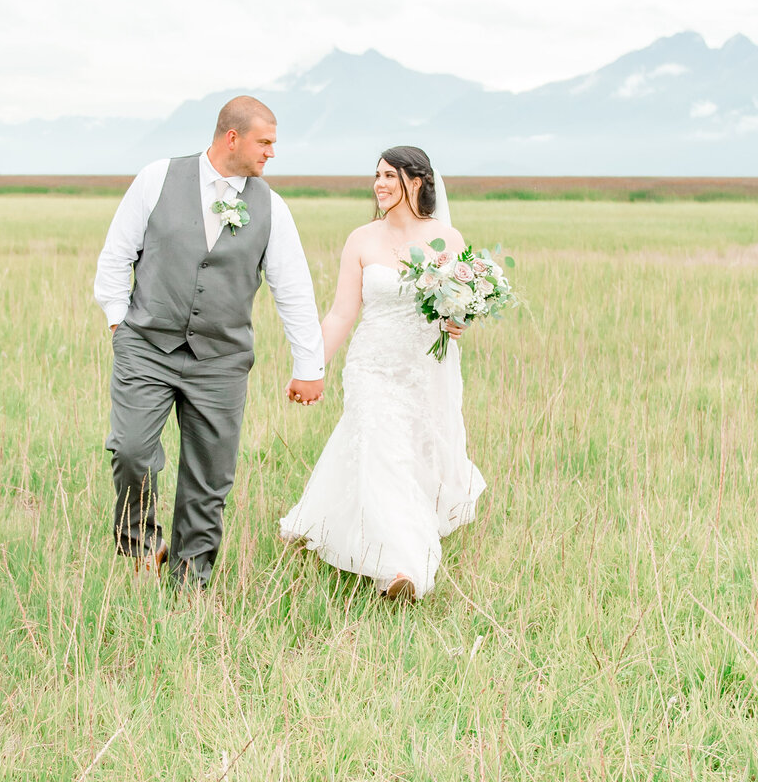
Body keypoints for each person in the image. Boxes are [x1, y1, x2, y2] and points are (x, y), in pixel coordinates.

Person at [94, 97, 324, 587]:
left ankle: (190, 582)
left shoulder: (272, 208)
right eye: (265, 142)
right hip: (146, 347)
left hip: (220, 361)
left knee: (209, 479)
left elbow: (294, 289)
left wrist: (310, 365)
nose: (272, 153)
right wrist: (120, 322)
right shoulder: (156, 178)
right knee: (132, 450)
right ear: (232, 137)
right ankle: (140, 540)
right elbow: (117, 254)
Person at [280, 146, 485, 598]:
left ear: (417, 181)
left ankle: (321, 523)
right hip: (371, 365)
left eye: (390, 175)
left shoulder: (448, 239)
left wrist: (460, 320)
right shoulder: (361, 239)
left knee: (411, 458)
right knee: (382, 451)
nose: (380, 184)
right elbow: (339, 315)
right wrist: (309, 366)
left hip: (425, 367)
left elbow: (462, 308)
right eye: (377, 175)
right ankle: (402, 570)